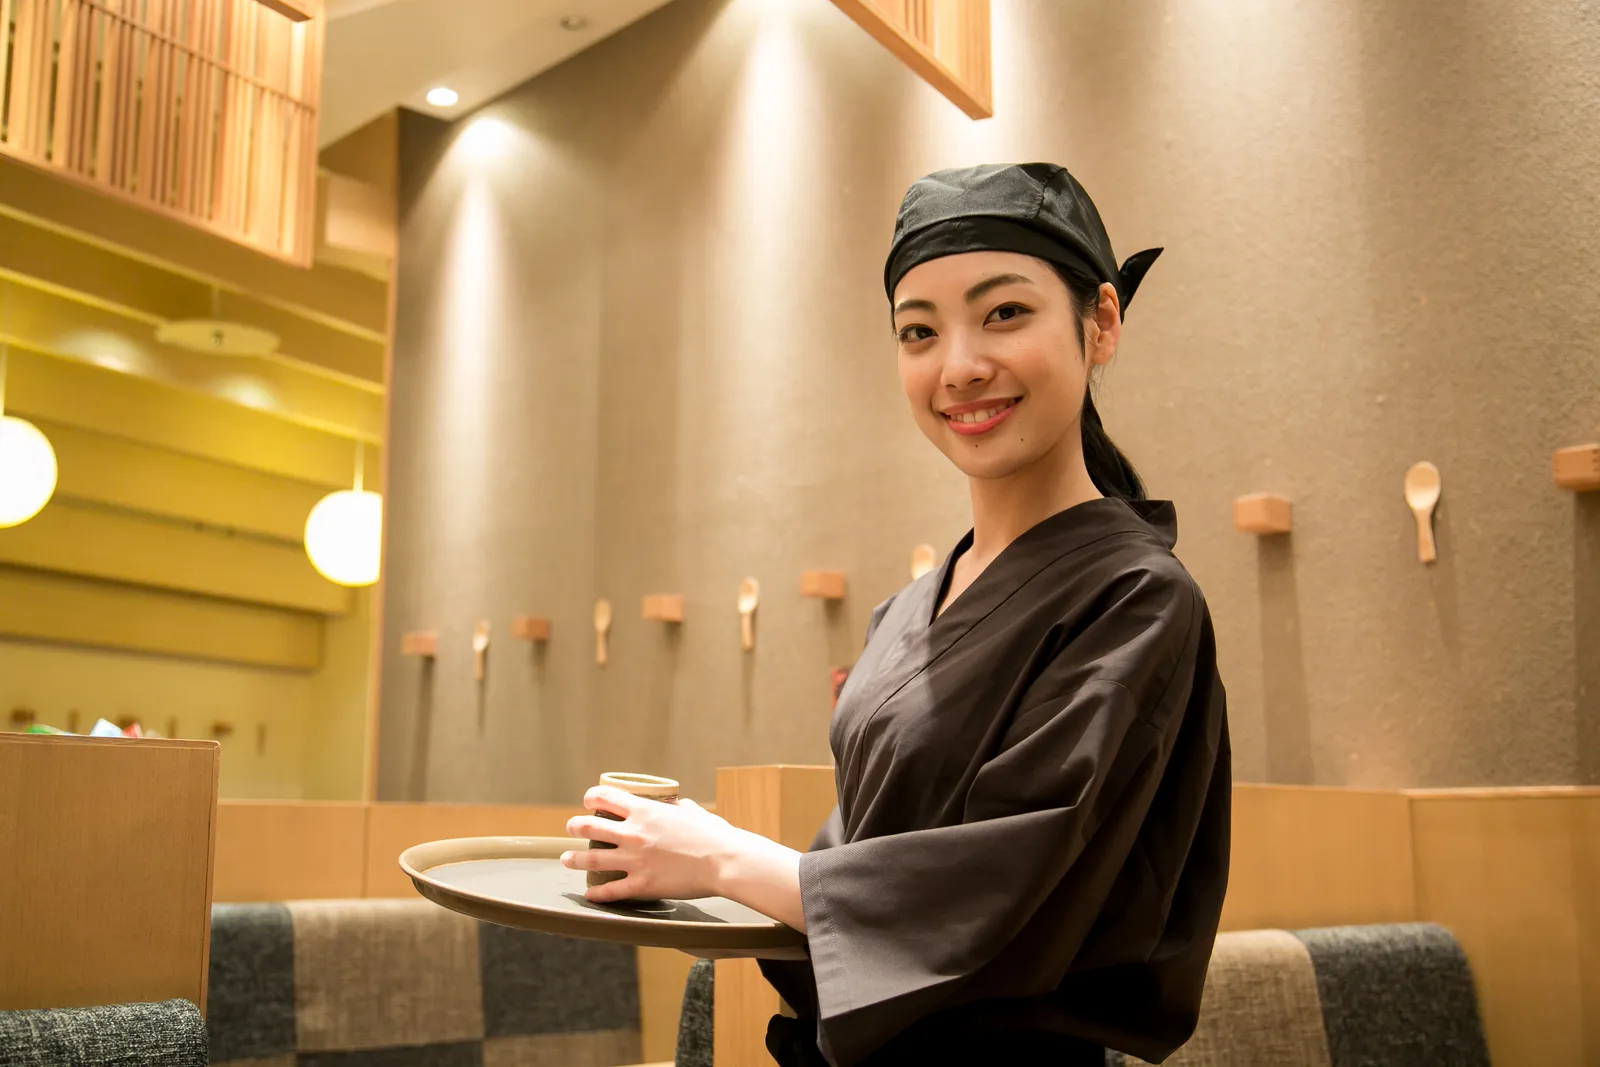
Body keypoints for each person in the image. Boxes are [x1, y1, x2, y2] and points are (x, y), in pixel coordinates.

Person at [561, 162, 1232, 1067]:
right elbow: (856, 880)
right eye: (920, 331)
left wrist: (723, 857)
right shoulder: (908, 609)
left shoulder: (1138, 600)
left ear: (1101, 322)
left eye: (1004, 313)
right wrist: (674, 867)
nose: (959, 366)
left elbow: (1008, 893)